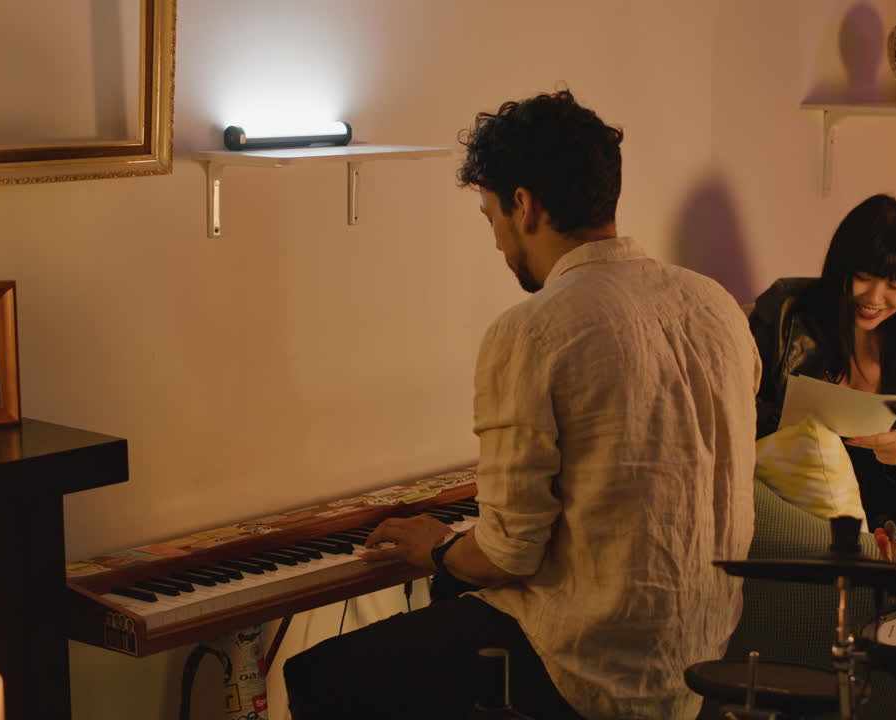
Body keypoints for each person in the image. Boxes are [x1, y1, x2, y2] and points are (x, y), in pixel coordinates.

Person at [283, 90, 761, 719]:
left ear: (524, 205)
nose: (497, 244)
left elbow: (508, 553)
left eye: (491, 218)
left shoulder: (535, 330)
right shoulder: (716, 305)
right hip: (700, 655)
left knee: (320, 674)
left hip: (587, 665)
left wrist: (440, 547)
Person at [749, 193, 896, 531]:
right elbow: (734, 403)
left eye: (895, 285)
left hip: (892, 522)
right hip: (795, 512)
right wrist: (793, 427)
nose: (874, 298)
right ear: (841, 268)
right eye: (864, 277)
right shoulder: (787, 315)